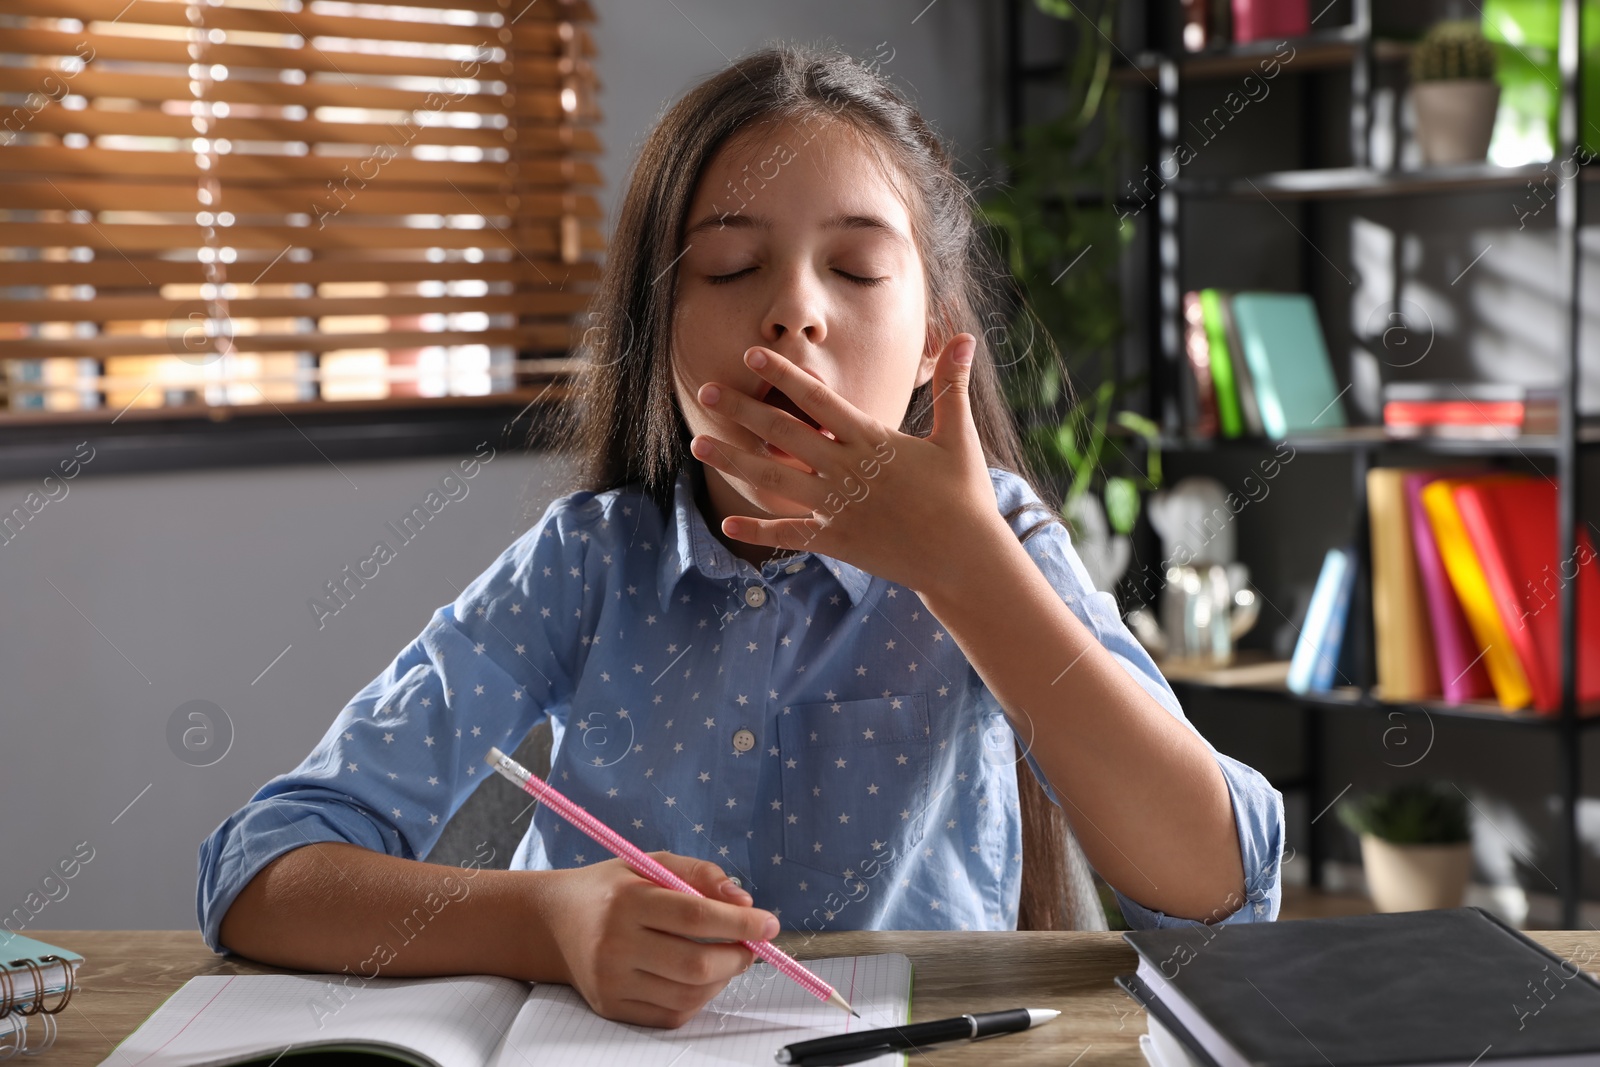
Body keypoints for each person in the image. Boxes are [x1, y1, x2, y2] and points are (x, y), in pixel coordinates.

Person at [198, 43, 1284, 1029]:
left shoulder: (1001, 540)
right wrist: (550, 918)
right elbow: (260, 875)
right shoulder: (587, 562)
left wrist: (964, 568)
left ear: (931, 346)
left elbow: (1215, 887)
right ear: (656, 334)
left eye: (855, 270)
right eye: (727, 269)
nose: (795, 313)